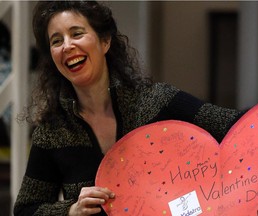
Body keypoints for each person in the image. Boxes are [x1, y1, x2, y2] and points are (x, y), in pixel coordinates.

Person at [13, 1, 245, 215]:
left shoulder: (156, 102)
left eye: (77, 33)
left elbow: (237, 126)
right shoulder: (53, 130)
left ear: (105, 41)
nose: (67, 46)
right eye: (56, 40)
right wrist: (70, 210)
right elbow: (25, 210)